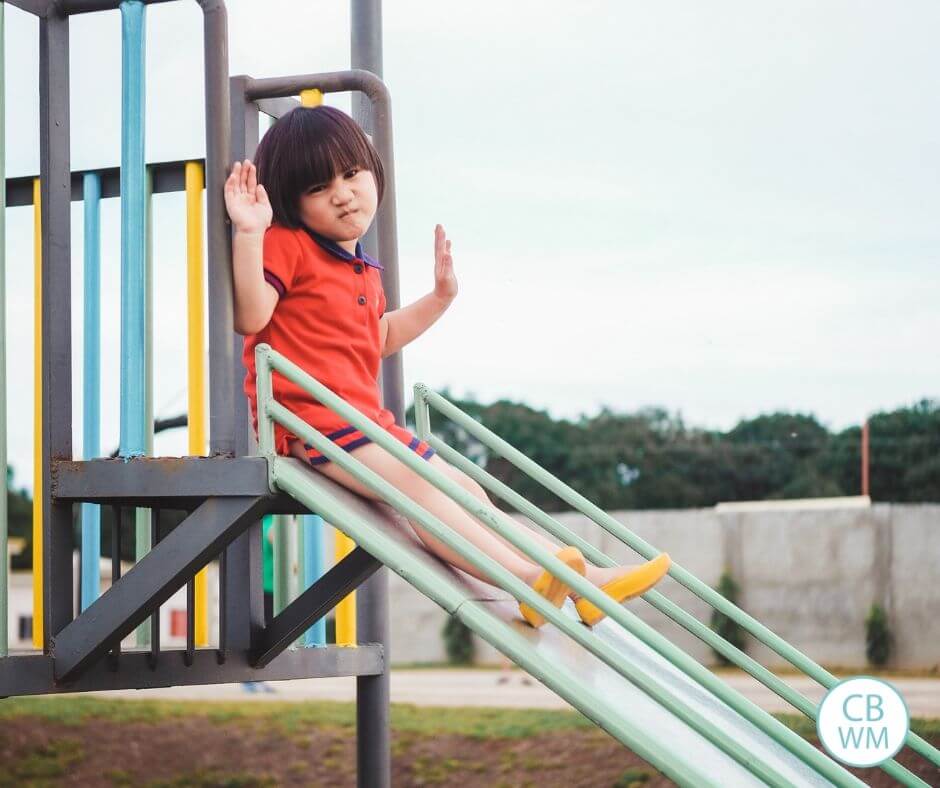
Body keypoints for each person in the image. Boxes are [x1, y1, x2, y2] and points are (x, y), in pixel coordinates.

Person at [225, 105, 670, 628]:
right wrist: (251, 233)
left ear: (373, 171)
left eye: (351, 174)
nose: (343, 193)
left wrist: (438, 298)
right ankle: (526, 581)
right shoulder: (289, 244)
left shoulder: (361, 270)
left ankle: (585, 585)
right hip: (311, 428)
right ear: (293, 203)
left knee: (466, 492)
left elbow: (380, 337)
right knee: (422, 491)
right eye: (320, 188)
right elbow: (252, 316)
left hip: (363, 426)